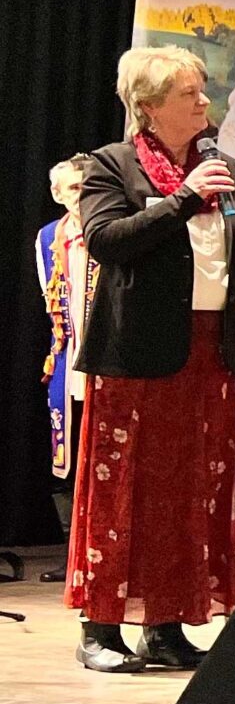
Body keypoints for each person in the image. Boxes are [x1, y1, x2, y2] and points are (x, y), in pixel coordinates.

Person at [68, 46, 235, 672]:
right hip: (137, 357)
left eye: (203, 91)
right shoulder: (112, 166)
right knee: (126, 490)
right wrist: (180, 200)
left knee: (194, 491)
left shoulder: (223, 165)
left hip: (209, 356)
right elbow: (106, 241)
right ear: (148, 107)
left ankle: (168, 625)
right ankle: (100, 628)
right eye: (189, 94)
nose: (205, 102)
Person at [39, 158, 95, 566]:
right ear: (58, 195)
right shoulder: (47, 237)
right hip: (66, 356)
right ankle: (72, 552)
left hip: (107, 357)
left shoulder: (110, 231)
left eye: (88, 187)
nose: (82, 197)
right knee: (67, 451)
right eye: (73, 189)